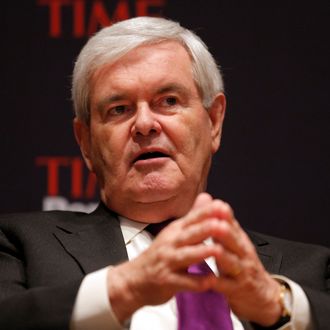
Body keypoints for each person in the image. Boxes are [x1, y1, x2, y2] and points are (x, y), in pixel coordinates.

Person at [0, 16, 329, 330]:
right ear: (85, 142)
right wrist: (124, 288)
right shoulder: (20, 246)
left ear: (214, 121)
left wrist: (275, 303)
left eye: (168, 100)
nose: (144, 124)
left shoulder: (311, 270)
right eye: (119, 109)